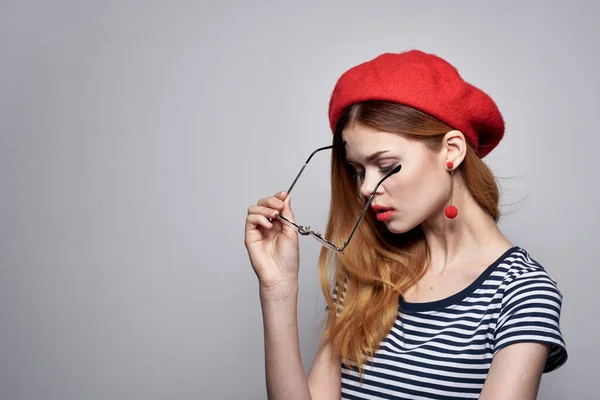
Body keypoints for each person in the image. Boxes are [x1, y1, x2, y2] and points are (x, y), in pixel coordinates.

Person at [244, 50, 567, 400]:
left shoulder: (521, 292)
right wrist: (278, 290)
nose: (366, 188)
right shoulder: (366, 272)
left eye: (385, 165)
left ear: (451, 151)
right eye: (357, 171)